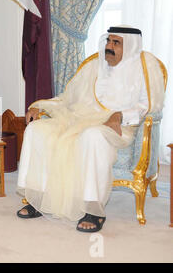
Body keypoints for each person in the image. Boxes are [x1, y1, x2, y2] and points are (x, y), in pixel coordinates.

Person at [16, 26, 165, 232]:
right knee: (37, 130)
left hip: (118, 126)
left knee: (92, 136)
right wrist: (40, 106)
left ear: (130, 46)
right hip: (80, 118)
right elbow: (68, 98)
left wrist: (120, 114)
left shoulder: (143, 68)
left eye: (116, 43)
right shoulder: (94, 66)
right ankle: (38, 198)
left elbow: (149, 106)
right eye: (108, 41)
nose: (109, 47)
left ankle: (93, 210)